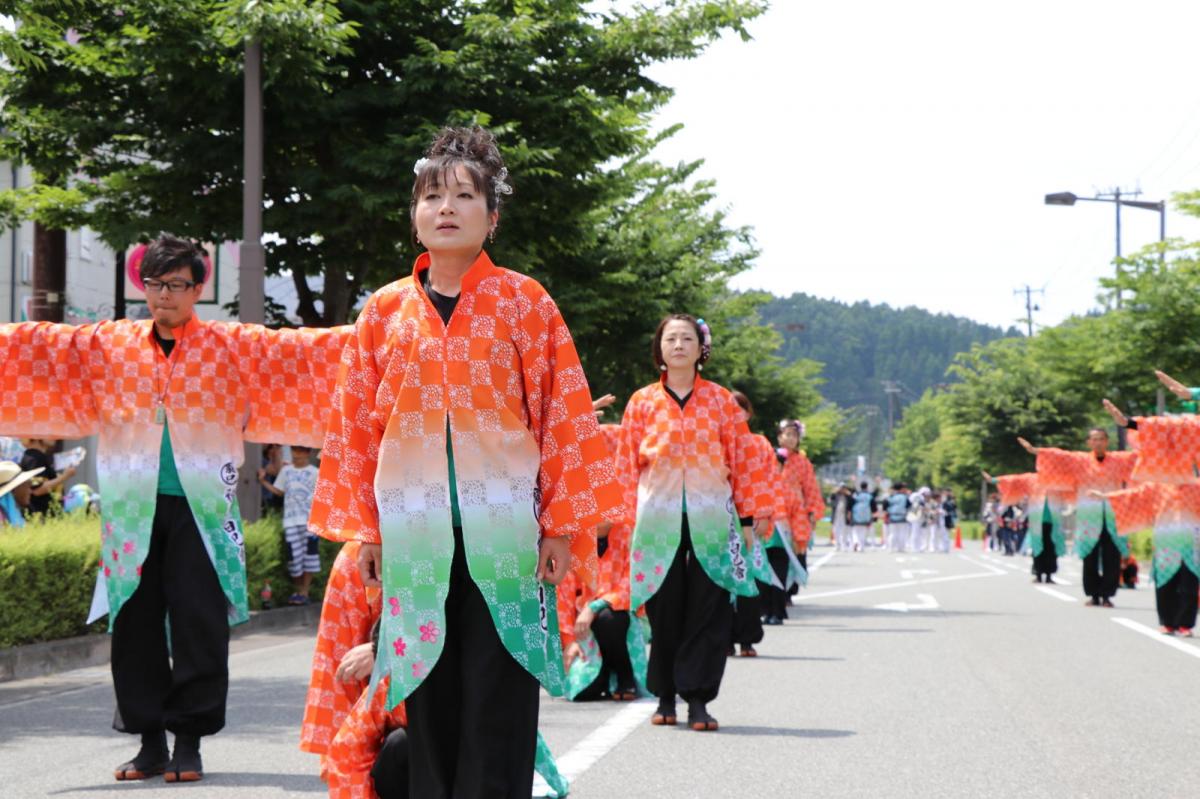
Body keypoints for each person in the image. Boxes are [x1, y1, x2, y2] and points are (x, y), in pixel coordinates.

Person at [308, 127, 620, 798]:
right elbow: (357, 429)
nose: (445, 207)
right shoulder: (383, 312)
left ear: (493, 214)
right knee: (429, 695)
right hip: (415, 538)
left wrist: (561, 527)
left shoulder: (525, 303)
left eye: (464, 194)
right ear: (415, 215)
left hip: (506, 535)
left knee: (497, 699)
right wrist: (368, 528)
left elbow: (563, 417)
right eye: (431, 195)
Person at [0, 235, 352, 783]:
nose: (166, 295)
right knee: (134, 622)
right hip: (129, 504)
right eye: (156, 284)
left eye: (178, 285)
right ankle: (148, 744)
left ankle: (188, 742)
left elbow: (306, 354)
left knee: (198, 623)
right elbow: (36, 346)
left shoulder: (231, 345)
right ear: (144, 285)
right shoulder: (107, 344)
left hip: (204, 508)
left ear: (198, 288)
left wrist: (384, 332)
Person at [615, 313, 767, 733]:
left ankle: (698, 698)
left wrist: (748, 518)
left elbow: (743, 462)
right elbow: (626, 464)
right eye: (671, 338)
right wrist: (621, 521)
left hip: (712, 516)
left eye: (687, 338)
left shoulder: (721, 402)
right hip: (656, 517)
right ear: (659, 349)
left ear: (702, 350)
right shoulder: (641, 402)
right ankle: (664, 695)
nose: (679, 345)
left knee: (709, 608)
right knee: (664, 607)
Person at [558, 420, 644, 697]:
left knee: (610, 618)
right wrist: (568, 640)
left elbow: (631, 586)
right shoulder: (575, 535)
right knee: (583, 693)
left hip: (617, 615)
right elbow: (564, 593)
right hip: (582, 628)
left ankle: (624, 673)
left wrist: (593, 607)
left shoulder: (629, 532)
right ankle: (603, 674)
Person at [1017, 431, 1137, 607]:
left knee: (1112, 557)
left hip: (1113, 515)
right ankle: (1093, 594)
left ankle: (1107, 595)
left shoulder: (1119, 460)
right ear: (1089, 442)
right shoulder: (1080, 460)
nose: (1097, 443)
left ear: (1107, 441)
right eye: (1094, 439)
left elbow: (1138, 457)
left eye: (1101, 439)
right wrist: (1037, 451)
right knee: (1090, 556)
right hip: (1088, 517)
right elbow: (1059, 456)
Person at [261, 445, 322, 605]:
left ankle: (304, 592)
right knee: (294, 558)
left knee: (310, 557)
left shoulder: (315, 472)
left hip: (310, 522)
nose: (297, 454)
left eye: (301, 450)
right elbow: (279, 491)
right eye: (295, 450)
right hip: (290, 521)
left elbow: (322, 496)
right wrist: (262, 481)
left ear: (308, 453)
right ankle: (299, 590)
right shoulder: (286, 471)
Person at [983, 471, 1065, 582]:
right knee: (1037, 548)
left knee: (1051, 549)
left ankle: (1049, 575)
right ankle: (1038, 574)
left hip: (1053, 522)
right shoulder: (1032, 479)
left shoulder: (1056, 480)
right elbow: (1014, 479)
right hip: (1037, 520)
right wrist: (994, 480)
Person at [19, 437, 76, 516]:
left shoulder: (37, 456)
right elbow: (38, 490)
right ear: (37, 436)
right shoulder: (35, 458)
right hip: (40, 515)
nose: (54, 436)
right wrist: (64, 476)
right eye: (48, 433)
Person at [0, 459, 42, 526]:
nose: (30, 491)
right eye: (27, 486)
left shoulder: (17, 511)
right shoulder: (2, 516)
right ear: (13, 490)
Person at [884, 483, 911, 552]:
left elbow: (885, 507)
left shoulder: (890, 497)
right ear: (901, 489)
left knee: (893, 533)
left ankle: (891, 548)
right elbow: (909, 506)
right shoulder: (904, 497)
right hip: (902, 516)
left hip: (892, 516)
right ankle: (901, 548)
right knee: (902, 533)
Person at [849, 482, 874, 552]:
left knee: (855, 531)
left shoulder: (856, 495)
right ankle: (861, 547)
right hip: (866, 516)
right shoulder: (869, 496)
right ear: (867, 487)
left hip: (856, 515)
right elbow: (873, 507)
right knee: (863, 532)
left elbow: (850, 505)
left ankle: (855, 541)